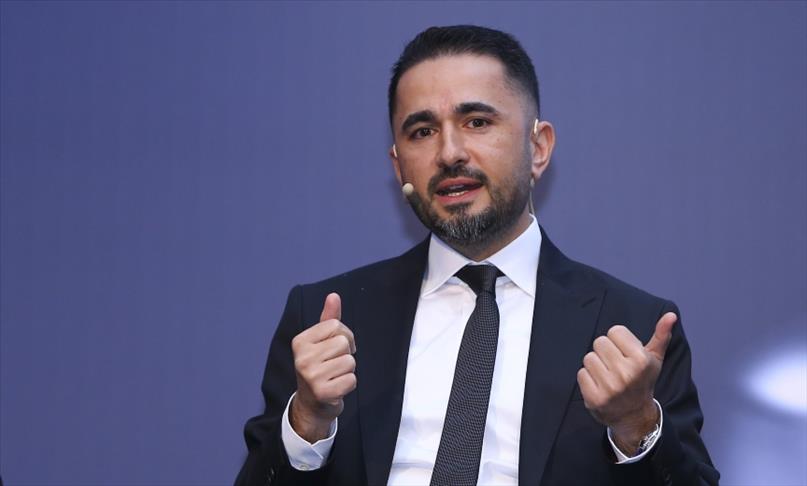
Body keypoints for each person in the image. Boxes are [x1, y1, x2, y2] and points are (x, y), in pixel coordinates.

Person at [235, 25, 719, 486]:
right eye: (422, 131)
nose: (449, 153)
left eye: (477, 122)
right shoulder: (325, 319)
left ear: (538, 148)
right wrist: (307, 422)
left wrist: (636, 425)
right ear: (398, 165)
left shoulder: (634, 328)